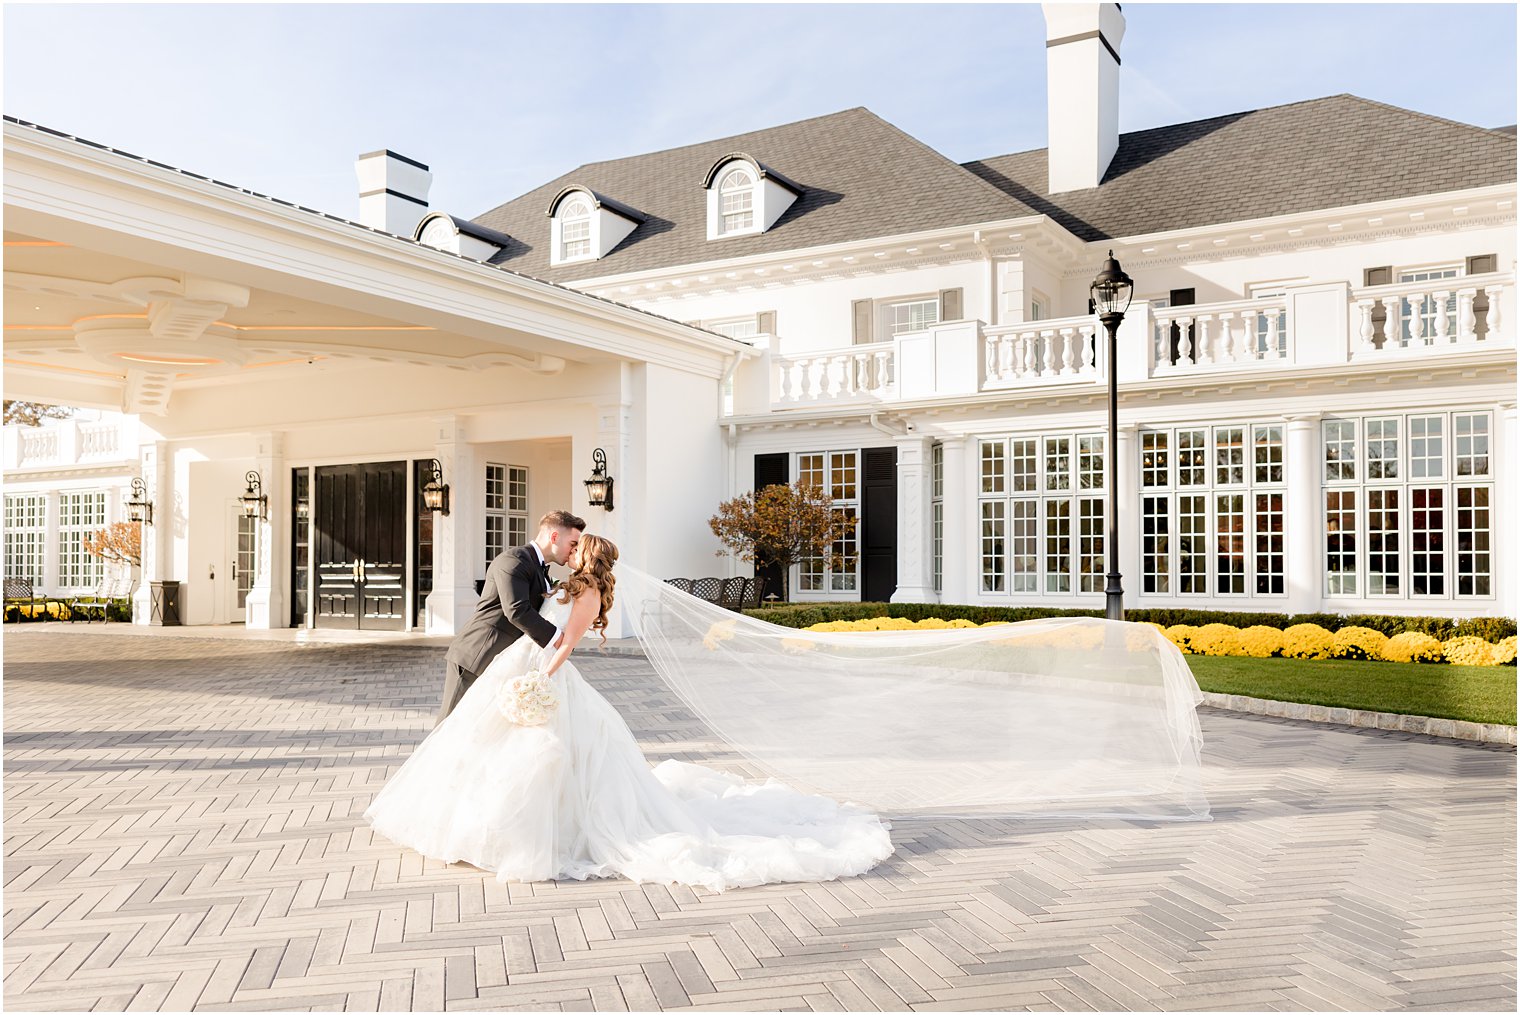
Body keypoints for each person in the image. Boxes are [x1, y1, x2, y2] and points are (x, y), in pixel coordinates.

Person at [366, 533, 894, 891]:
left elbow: (567, 643)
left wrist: (537, 682)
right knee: (486, 743)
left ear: (586, 555)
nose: (568, 551)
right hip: (521, 663)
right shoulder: (569, 584)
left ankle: (529, 834)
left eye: (576, 547)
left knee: (546, 757)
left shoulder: (589, 592)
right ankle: (472, 823)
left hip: (542, 673)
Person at [436, 510, 583, 726]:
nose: (574, 550)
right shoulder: (515, 560)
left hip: (501, 662)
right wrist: (560, 640)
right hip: (477, 656)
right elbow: (517, 610)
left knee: (477, 729)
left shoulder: (540, 570)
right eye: (573, 543)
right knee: (449, 726)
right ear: (554, 537)